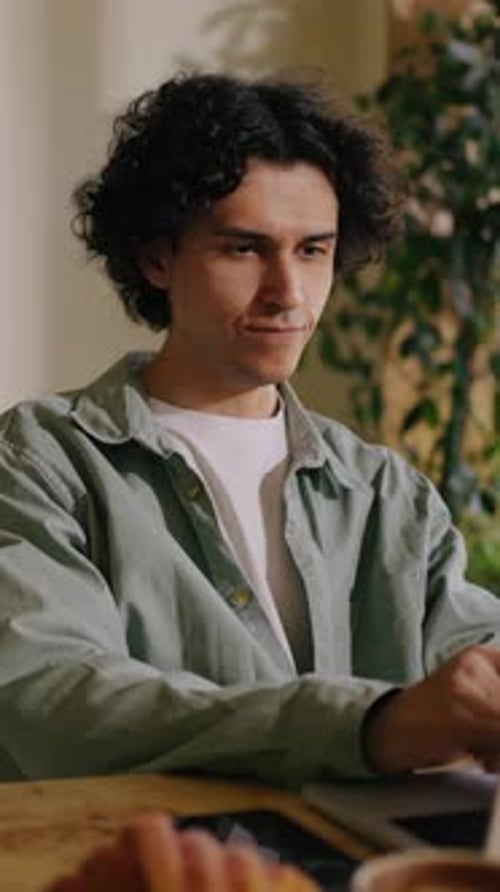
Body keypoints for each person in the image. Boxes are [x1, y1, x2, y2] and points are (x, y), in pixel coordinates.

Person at [1, 71, 500, 786]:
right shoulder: (41, 460)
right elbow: (55, 705)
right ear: (155, 256)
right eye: (244, 248)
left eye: (313, 250)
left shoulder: (386, 493)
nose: (288, 294)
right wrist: (371, 726)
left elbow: (475, 654)